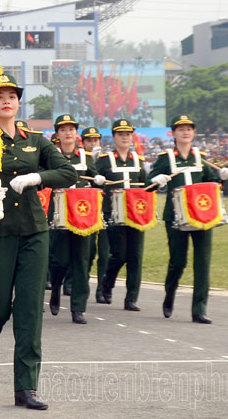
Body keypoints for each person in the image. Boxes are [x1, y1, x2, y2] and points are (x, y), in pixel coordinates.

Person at [0, 74, 76, 409]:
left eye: (12, 96)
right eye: (0, 96)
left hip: (32, 232)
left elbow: (67, 173)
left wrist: (37, 177)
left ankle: (26, 387)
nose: (6, 101)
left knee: (29, 311)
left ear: (18, 102)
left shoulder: (36, 141)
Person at [148, 115, 228, 324]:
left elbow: (211, 185)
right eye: (181, 129)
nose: (186, 132)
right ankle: (169, 295)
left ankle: (199, 309)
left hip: (202, 215)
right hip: (176, 216)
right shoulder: (165, 158)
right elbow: (147, 185)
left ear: (194, 132)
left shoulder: (200, 158)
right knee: (178, 262)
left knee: (202, 262)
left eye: (189, 129)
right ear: (174, 133)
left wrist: (221, 178)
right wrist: (156, 180)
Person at [48, 114, 102, 324]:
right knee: (59, 260)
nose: (68, 133)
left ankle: (78, 307)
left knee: (81, 261)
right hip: (60, 216)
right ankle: (55, 290)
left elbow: (96, 181)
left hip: (83, 216)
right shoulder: (52, 156)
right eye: (63, 130)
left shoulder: (85, 157)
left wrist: (99, 180)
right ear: (58, 134)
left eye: (71, 129)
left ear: (76, 134)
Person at [96, 119, 148, 311]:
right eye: (121, 134)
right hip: (113, 213)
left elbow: (146, 187)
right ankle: (107, 282)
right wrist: (98, 180)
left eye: (128, 134)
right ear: (114, 137)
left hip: (137, 214)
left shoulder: (139, 160)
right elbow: (94, 182)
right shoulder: (104, 160)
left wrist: (159, 182)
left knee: (136, 255)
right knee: (120, 254)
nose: (125, 137)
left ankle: (131, 298)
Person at [81, 126, 110, 304]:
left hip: (104, 211)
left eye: (96, 140)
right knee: (88, 252)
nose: (93, 144)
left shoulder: (106, 159)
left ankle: (101, 289)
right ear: (83, 143)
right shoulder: (81, 159)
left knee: (105, 253)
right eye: (89, 141)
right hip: (86, 213)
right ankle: (79, 283)